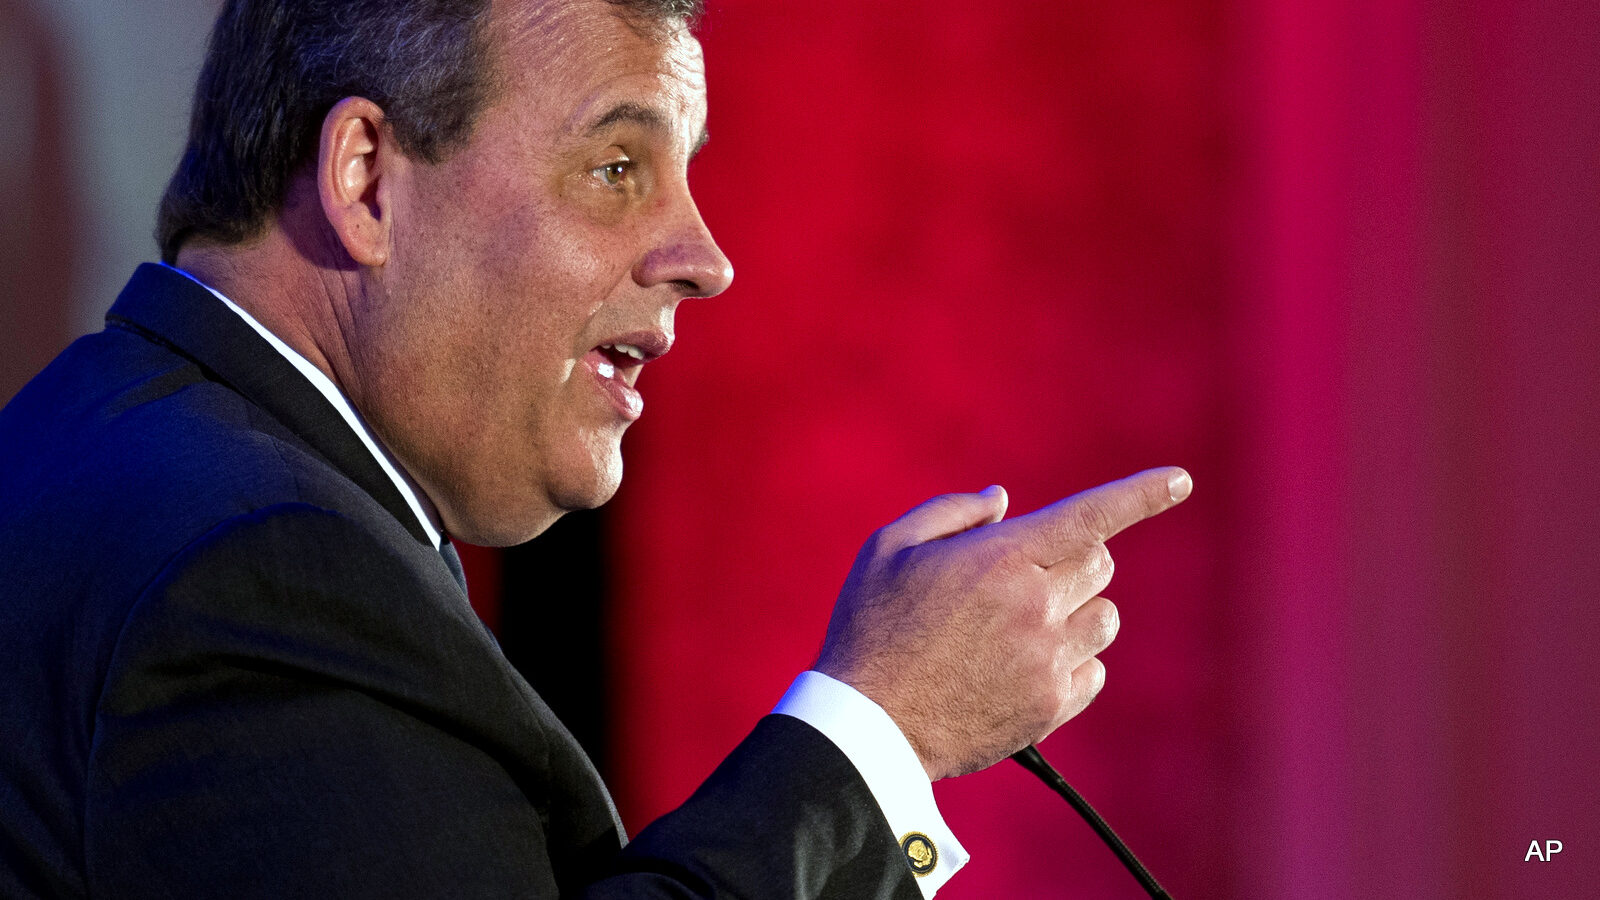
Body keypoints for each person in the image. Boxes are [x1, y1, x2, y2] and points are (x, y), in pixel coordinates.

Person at [0, 0, 1191, 897]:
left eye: (686, 172)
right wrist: (883, 728)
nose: (705, 258)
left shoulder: (98, 444)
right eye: (617, 169)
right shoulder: (265, 570)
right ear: (364, 179)